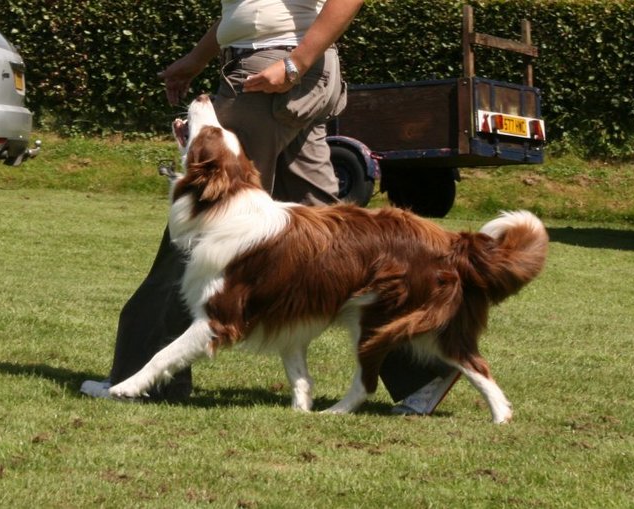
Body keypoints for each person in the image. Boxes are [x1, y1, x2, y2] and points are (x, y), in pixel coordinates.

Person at [81, 0, 459, 415]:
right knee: (333, 236)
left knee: (207, 217)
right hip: (291, 72)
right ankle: (424, 370)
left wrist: (295, 63)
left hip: (270, 76)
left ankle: (141, 377)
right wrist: (197, 58)